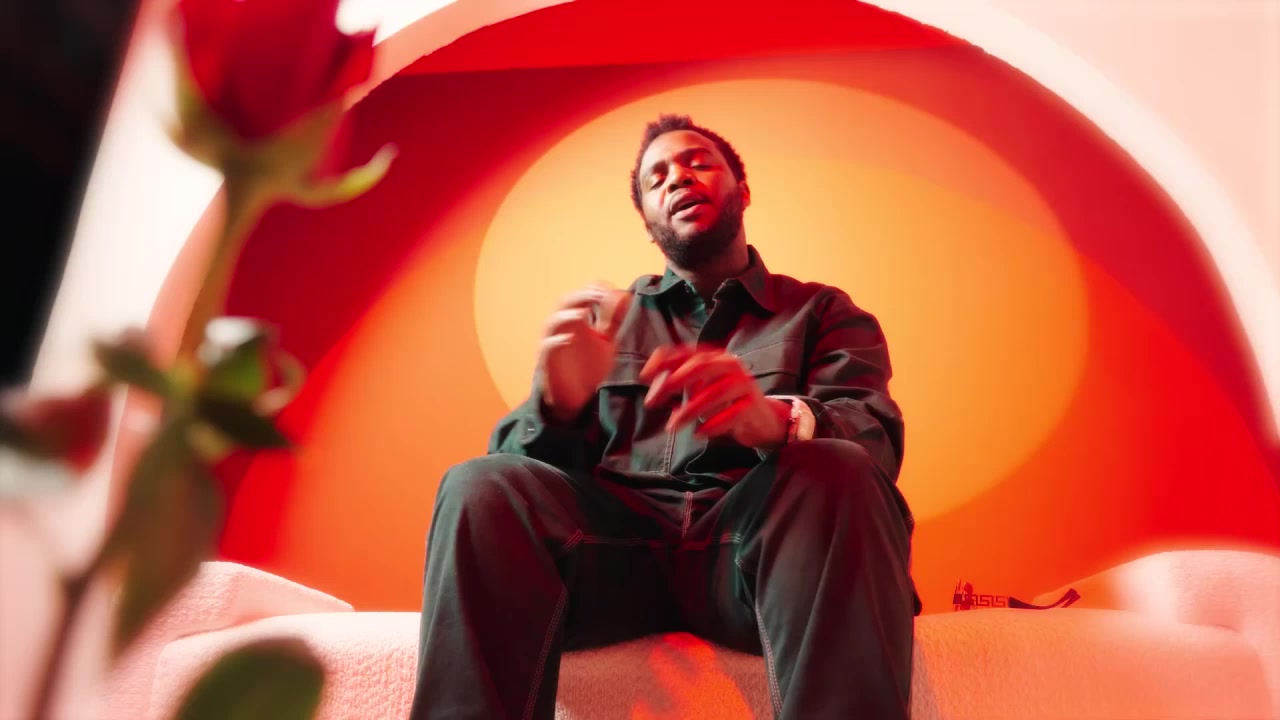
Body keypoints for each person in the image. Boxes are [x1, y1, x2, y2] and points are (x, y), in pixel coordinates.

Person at [409, 114, 919, 720]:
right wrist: (557, 407)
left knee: (839, 466)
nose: (677, 177)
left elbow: (872, 437)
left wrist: (775, 422)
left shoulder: (823, 311)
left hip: (756, 561)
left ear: (742, 191)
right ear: (649, 224)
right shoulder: (603, 322)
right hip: (610, 560)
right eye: (657, 178)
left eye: (698, 162)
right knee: (478, 483)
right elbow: (511, 495)